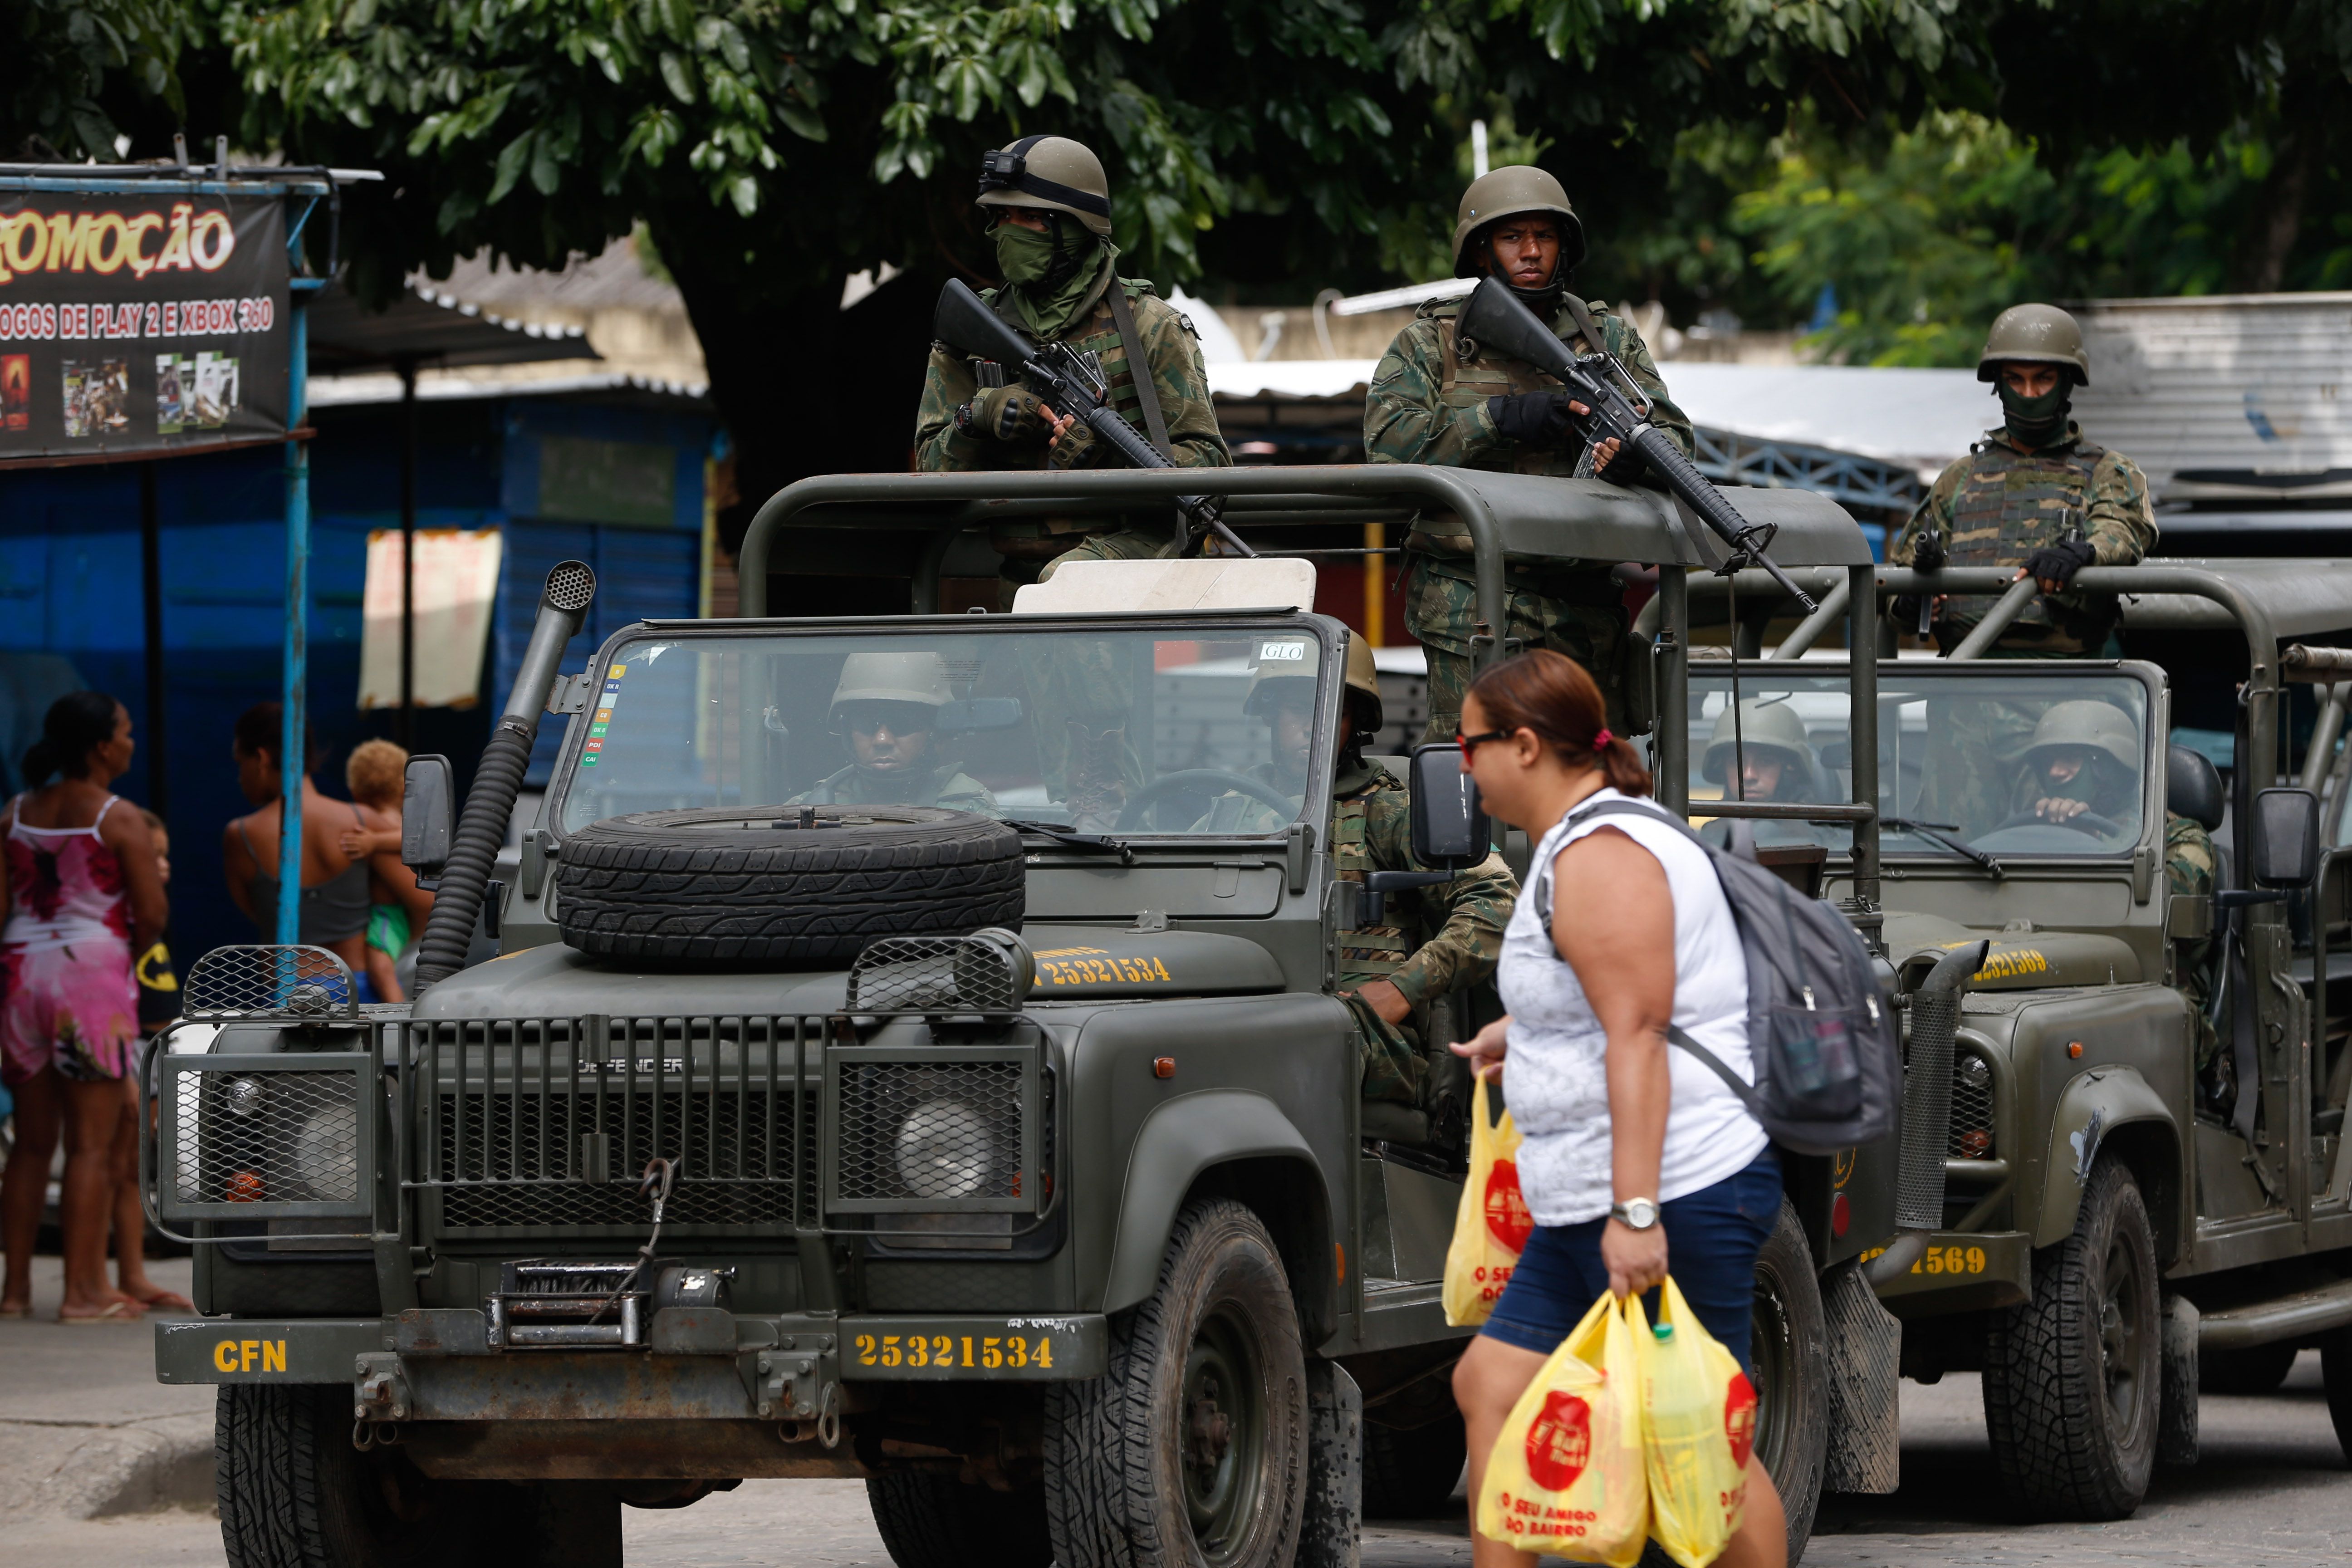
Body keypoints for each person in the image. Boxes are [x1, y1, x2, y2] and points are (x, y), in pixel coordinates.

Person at [1448, 649, 1785, 1568]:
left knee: (1696, 1432)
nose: (1461, 767)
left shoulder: (1602, 852)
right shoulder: (1584, 842)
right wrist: (1515, 1035)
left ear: (1523, 746)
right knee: (1494, 1387)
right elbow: (1607, 1000)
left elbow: (1639, 1032)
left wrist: (1637, 1215)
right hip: (1590, 1197)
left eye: (1467, 744)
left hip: (1672, 1190)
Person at [1364, 165, 1694, 744]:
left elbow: (1675, 441)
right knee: (1476, 785)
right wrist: (1496, 419)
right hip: (1471, 607)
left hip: (1584, 613)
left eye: (1545, 236)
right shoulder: (1432, 342)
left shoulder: (1607, 338)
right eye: (1513, 237)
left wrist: (1632, 462)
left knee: (1583, 786)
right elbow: (1387, 455)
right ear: (1482, 250)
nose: (1532, 251)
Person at [1193, 635, 1516, 1107]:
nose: (1310, 728)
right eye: (1295, 710)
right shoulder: (1227, 814)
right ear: (1268, 715)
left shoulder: (1388, 811)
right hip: (1236, 1021)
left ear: (1356, 724)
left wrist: (1402, 987)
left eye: (1330, 713)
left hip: (1362, 1036)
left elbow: (1498, 900)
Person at [914, 134, 1231, 609]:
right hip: (1016, 573)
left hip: (1134, 558)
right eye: (999, 217)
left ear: (1075, 226)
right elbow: (928, 472)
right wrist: (977, 416)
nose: (1007, 231)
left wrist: (1108, 458)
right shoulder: (974, 330)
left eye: (1027, 218)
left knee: (1065, 586)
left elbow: (1209, 467)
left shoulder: (1151, 326)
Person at [0, 692, 168, 1323]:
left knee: (32, 1144)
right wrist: (117, 953)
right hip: (90, 981)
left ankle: (15, 1292)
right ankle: (82, 1292)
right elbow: (150, 915)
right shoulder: (118, 820)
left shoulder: (14, 814)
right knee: (93, 1146)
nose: (130, 741)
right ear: (102, 746)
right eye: (125, 732)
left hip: (22, 977)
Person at [1888, 304, 2157, 658]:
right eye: (2016, 379)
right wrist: (1909, 604)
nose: (2029, 394)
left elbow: (2122, 532)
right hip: (1962, 684)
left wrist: (2084, 552)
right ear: (1998, 384)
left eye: (2043, 379)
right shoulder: (1959, 478)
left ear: (2066, 383)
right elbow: (1898, 580)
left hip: (2068, 681)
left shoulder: (2108, 471)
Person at [221, 704, 372, 984]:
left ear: (261, 757)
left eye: (240, 763)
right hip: (357, 995)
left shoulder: (242, 835)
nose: (240, 777)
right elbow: (425, 902)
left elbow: (258, 912)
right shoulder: (363, 822)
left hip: (284, 997)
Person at [111, 807, 190, 1316]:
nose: (161, 865)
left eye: (164, 855)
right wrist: (125, 1073)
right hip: (131, 1052)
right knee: (117, 1164)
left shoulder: (146, 919)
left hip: (156, 1052)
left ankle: (133, 1272)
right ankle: (115, 1273)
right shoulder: (116, 926)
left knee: (137, 1169)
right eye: (151, 855)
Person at [788, 653, 997, 813]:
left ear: (934, 732)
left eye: (902, 724)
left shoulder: (967, 808)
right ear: (847, 731)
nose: (882, 740)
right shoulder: (813, 807)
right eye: (867, 724)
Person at [336, 738, 433, 1003]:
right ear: (403, 788)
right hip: (388, 913)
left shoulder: (386, 824)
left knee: (380, 967)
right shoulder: (387, 819)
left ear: (356, 791)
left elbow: (414, 837)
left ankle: (397, 1016)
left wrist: (374, 842)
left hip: (388, 915)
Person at [1696, 698, 1840, 850]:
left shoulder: (1831, 844)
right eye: (1736, 762)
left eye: (1765, 762)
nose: (1748, 775)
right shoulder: (1708, 840)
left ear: (1789, 770)